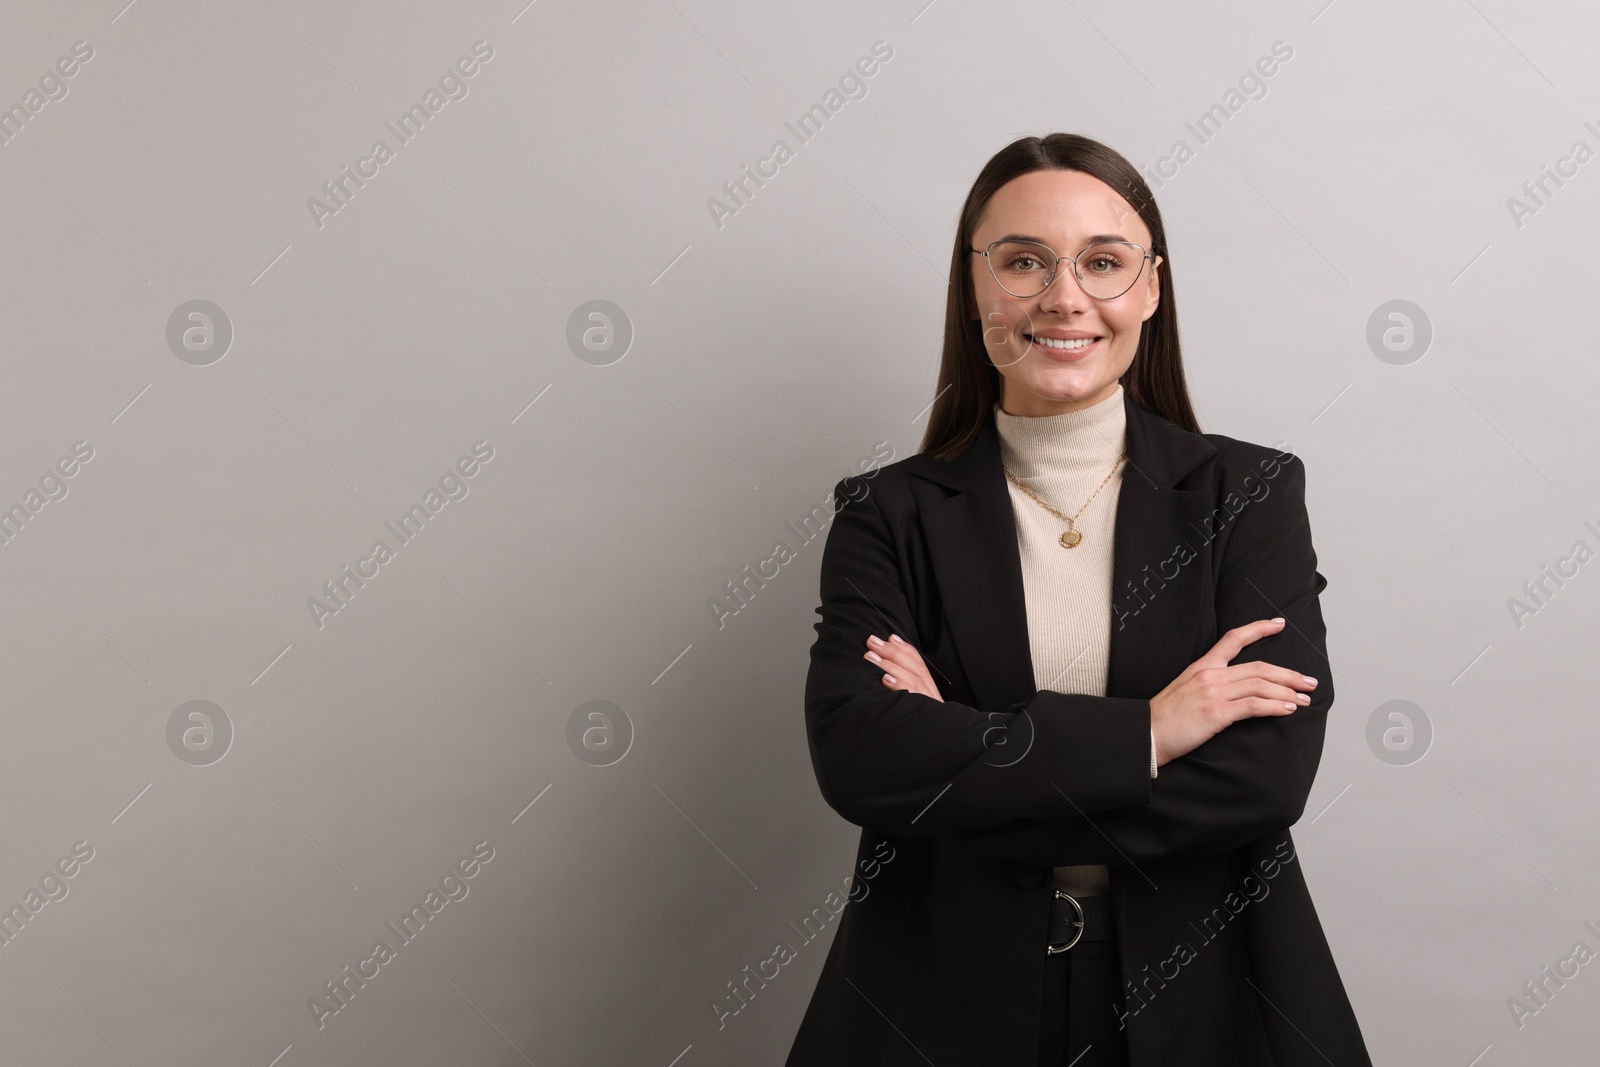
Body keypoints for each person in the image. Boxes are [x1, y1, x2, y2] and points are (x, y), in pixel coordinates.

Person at [785, 133, 1373, 1066]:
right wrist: (1151, 733)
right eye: (1024, 261)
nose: (1064, 298)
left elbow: (1265, 778)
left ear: (1150, 287)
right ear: (975, 285)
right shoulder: (886, 512)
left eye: (1103, 262)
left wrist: (969, 759)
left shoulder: (1248, 494)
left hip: (1206, 1000)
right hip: (941, 1006)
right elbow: (862, 761)